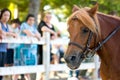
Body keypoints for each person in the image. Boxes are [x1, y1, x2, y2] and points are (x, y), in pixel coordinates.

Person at [0, 8, 17, 80]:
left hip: (4, 49)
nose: (6, 17)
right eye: (5, 15)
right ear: (1, 15)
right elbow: (2, 32)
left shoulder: (7, 25)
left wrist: (11, 34)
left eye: (8, 15)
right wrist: (10, 34)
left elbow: (13, 34)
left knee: (2, 68)